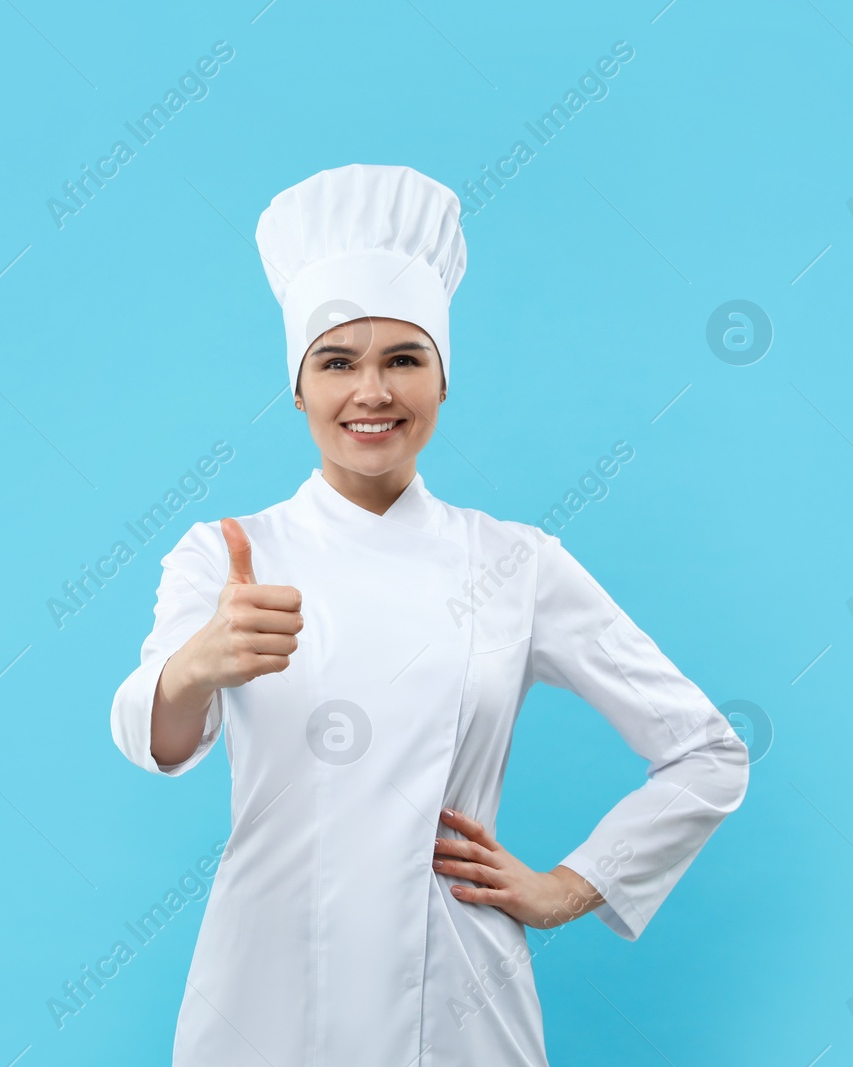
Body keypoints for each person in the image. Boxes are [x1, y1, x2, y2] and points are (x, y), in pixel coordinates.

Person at [109, 164, 749, 1066]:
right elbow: (154, 736)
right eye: (337, 362)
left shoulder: (515, 563)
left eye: (403, 359)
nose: (371, 392)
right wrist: (197, 665)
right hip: (263, 995)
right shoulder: (224, 553)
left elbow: (707, 752)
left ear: (443, 380)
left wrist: (574, 885)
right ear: (297, 388)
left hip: (457, 1003)